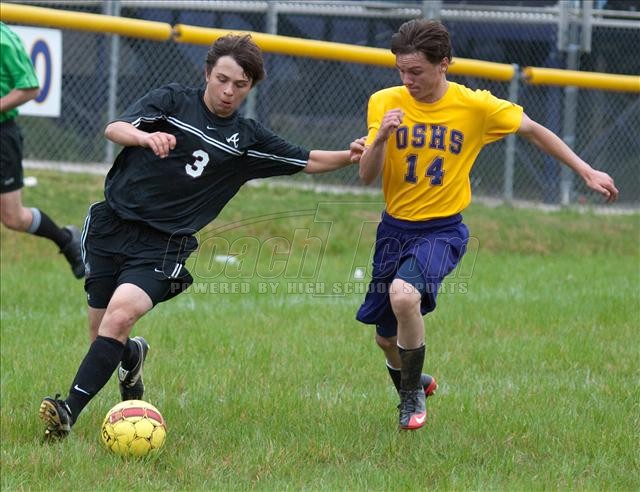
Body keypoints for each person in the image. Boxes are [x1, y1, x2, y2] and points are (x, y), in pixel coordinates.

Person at [39, 33, 365, 439]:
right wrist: (145, 137)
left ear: (250, 87)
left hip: (163, 243)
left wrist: (351, 155)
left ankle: (67, 412)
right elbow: (115, 128)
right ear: (208, 72)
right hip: (111, 226)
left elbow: (308, 159)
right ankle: (132, 355)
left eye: (240, 85)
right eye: (222, 79)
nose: (228, 91)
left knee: (119, 317)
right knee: (101, 332)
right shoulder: (172, 101)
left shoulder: (246, 140)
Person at [356, 19, 618, 431]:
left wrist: (585, 171)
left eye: (416, 71)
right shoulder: (384, 102)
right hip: (394, 229)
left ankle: (409, 397)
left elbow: (534, 131)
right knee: (385, 339)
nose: (407, 81)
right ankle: (415, 380)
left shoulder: (475, 106)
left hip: (441, 230)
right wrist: (382, 138)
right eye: (401, 71)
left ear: (444, 63)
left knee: (404, 297)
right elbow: (366, 175)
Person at [0, 22, 84, 279]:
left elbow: (30, 88)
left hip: (2, 134)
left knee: (13, 218)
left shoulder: (4, 39)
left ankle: (67, 239)